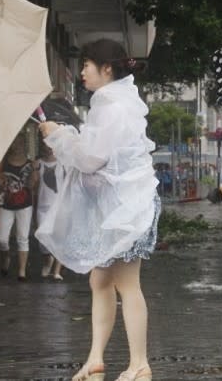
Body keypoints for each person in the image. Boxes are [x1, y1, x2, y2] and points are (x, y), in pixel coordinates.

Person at [38, 38, 159, 381]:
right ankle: (95, 358)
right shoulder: (115, 99)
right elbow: (96, 150)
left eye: (87, 65)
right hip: (119, 205)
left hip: (127, 207)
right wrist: (62, 135)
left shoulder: (110, 104)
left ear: (107, 69)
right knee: (100, 280)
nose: (81, 73)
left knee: (126, 282)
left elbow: (92, 158)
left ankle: (139, 364)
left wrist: (58, 136)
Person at [0, 132, 37, 281]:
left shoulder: (30, 164)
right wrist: (0, 182)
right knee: (2, 239)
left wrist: (34, 171)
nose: (17, 146)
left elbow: (32, 185)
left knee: (23, 237)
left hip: (24, 204)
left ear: (24, 145)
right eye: (15, 143)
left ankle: (22, 271)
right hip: (6, 204)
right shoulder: (3, 162)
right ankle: (6, 257)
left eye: (20, 143)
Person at [34, 142, 64, 280]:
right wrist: (34, 170)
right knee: (42, 238)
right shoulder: (38, 163)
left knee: (59, 238)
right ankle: (48, 261)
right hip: (42, 206)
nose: (50, 149)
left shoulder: (64, 163)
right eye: (47, 146)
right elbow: (31, 185)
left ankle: (57, 271)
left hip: (59, 207)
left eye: (52, 146)